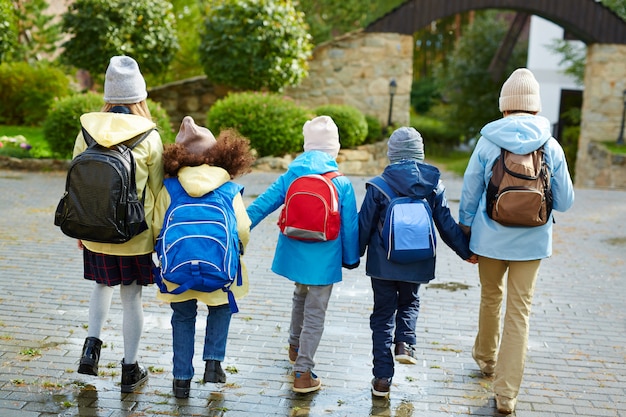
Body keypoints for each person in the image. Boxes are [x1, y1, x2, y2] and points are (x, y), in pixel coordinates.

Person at [459, 68, 575, 414]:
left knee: (491, 297)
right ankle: (506, 395)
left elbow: (470, 192)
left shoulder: (488, 140)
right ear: (536, 108)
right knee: (519, 312)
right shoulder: (550, 144)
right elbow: (566, 202)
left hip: (490, 239)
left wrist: (466, 230)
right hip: (533, 242)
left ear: (504, 107)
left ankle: (485, 359)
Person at [358, 126, 477, 398]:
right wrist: (465, 251)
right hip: (419, 260)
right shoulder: (433, 185)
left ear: (392, 154)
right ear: (420, 154)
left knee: (382, 315)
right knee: (410, 301)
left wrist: (353, 256)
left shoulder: (378, 185)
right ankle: (405, 344)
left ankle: (382, 378)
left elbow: (364, 224)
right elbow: (445, 223)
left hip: (383, 263)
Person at [246, 115, 360, 393]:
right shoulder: (340, 182)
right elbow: (350, 225)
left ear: (307, 146)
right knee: (316, 311)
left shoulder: (292, 174)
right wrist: (351, 259)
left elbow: (263, 204)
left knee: (300, 294)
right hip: (325, 255)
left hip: (294, 249)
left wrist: (237, 226)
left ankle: (295, 347)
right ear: (334, 149)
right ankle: (303, 374)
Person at [75, 55, 164, 393]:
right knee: (132, 298)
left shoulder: (87, 130)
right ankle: (130, 369)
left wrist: (82, 229)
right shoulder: (150, 136)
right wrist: (157, 237)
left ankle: (90, 350)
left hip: (95, 230)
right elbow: (157, 194)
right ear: (139, 97)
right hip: (134, 233)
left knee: (100, 286)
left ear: (109, 94)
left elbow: (78, 183)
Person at [152, 116, 254, 399]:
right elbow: (243, 228)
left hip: (178, 271)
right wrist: (238, 249)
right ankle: (213, 364)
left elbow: (158, 227)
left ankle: (181, 379)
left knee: (182, 317)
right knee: (220, 307)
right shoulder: (228, 188)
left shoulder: (170, 188)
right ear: (219, 154)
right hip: (219, 269)